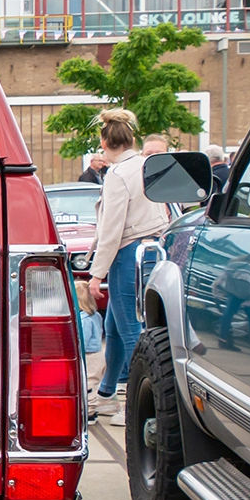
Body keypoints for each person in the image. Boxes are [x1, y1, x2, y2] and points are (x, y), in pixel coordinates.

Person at [87, 109, 171, 425]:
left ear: (104, 142)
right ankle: (107, 395)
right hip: (152, 249)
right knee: (117, 329)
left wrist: (96, 273)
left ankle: (142, 403)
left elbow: (112, 227)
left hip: (127, 254)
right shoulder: (148, 166)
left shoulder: (117, 175)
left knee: (131, 332)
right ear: (132, 139)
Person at [75, 278, 105, 392]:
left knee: (88, 384)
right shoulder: (95, 315)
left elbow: (83, 341)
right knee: (94, 381)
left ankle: (91, 404)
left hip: (89, 356)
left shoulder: (84, 320)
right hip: (97, 354)